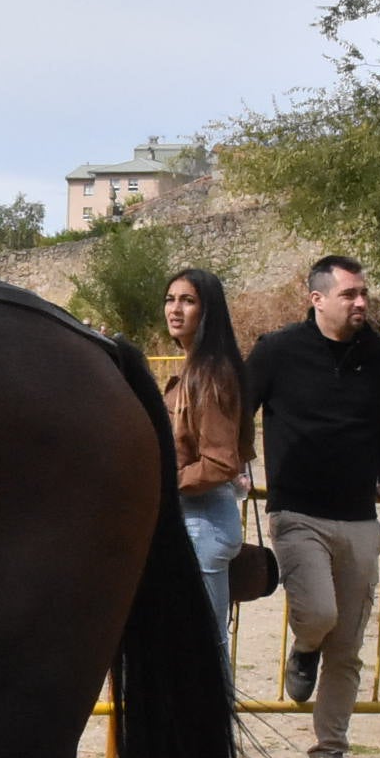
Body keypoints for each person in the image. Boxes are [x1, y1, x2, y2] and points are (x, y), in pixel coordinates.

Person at [242, 256, 380, 758]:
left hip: (361, 517)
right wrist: (237, 464)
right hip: (297, 514)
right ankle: (303, 645)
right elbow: (240, 408)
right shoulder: (276, 351)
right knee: (318, 615)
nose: (361, 303)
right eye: (349, 295)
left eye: (364, 294)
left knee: (349, 649)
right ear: (317, 298)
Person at [161, 268, 249, 631]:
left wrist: (166, 481)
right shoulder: (193, 370)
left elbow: (219, 461)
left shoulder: (211, 375)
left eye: (187, 300)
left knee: (204, 651)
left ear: (207, 311)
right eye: (170, 299)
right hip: (192, 521)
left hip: (203, 523)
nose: (175, 309)